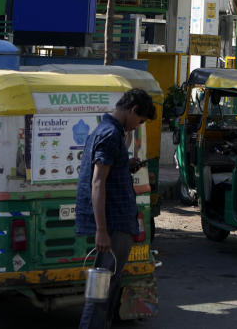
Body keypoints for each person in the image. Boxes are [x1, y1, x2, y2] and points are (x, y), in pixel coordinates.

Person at [76, 89, 156, 329]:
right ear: (132, 110)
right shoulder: (111, 134)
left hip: (114, 221)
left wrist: (126, 165)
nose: (136, 126)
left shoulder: (106, 131)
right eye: (139, 121)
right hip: (113, 224)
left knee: (106, 288)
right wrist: (102, 230)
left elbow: (106, 175)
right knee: (101, 289)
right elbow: (97, 181)